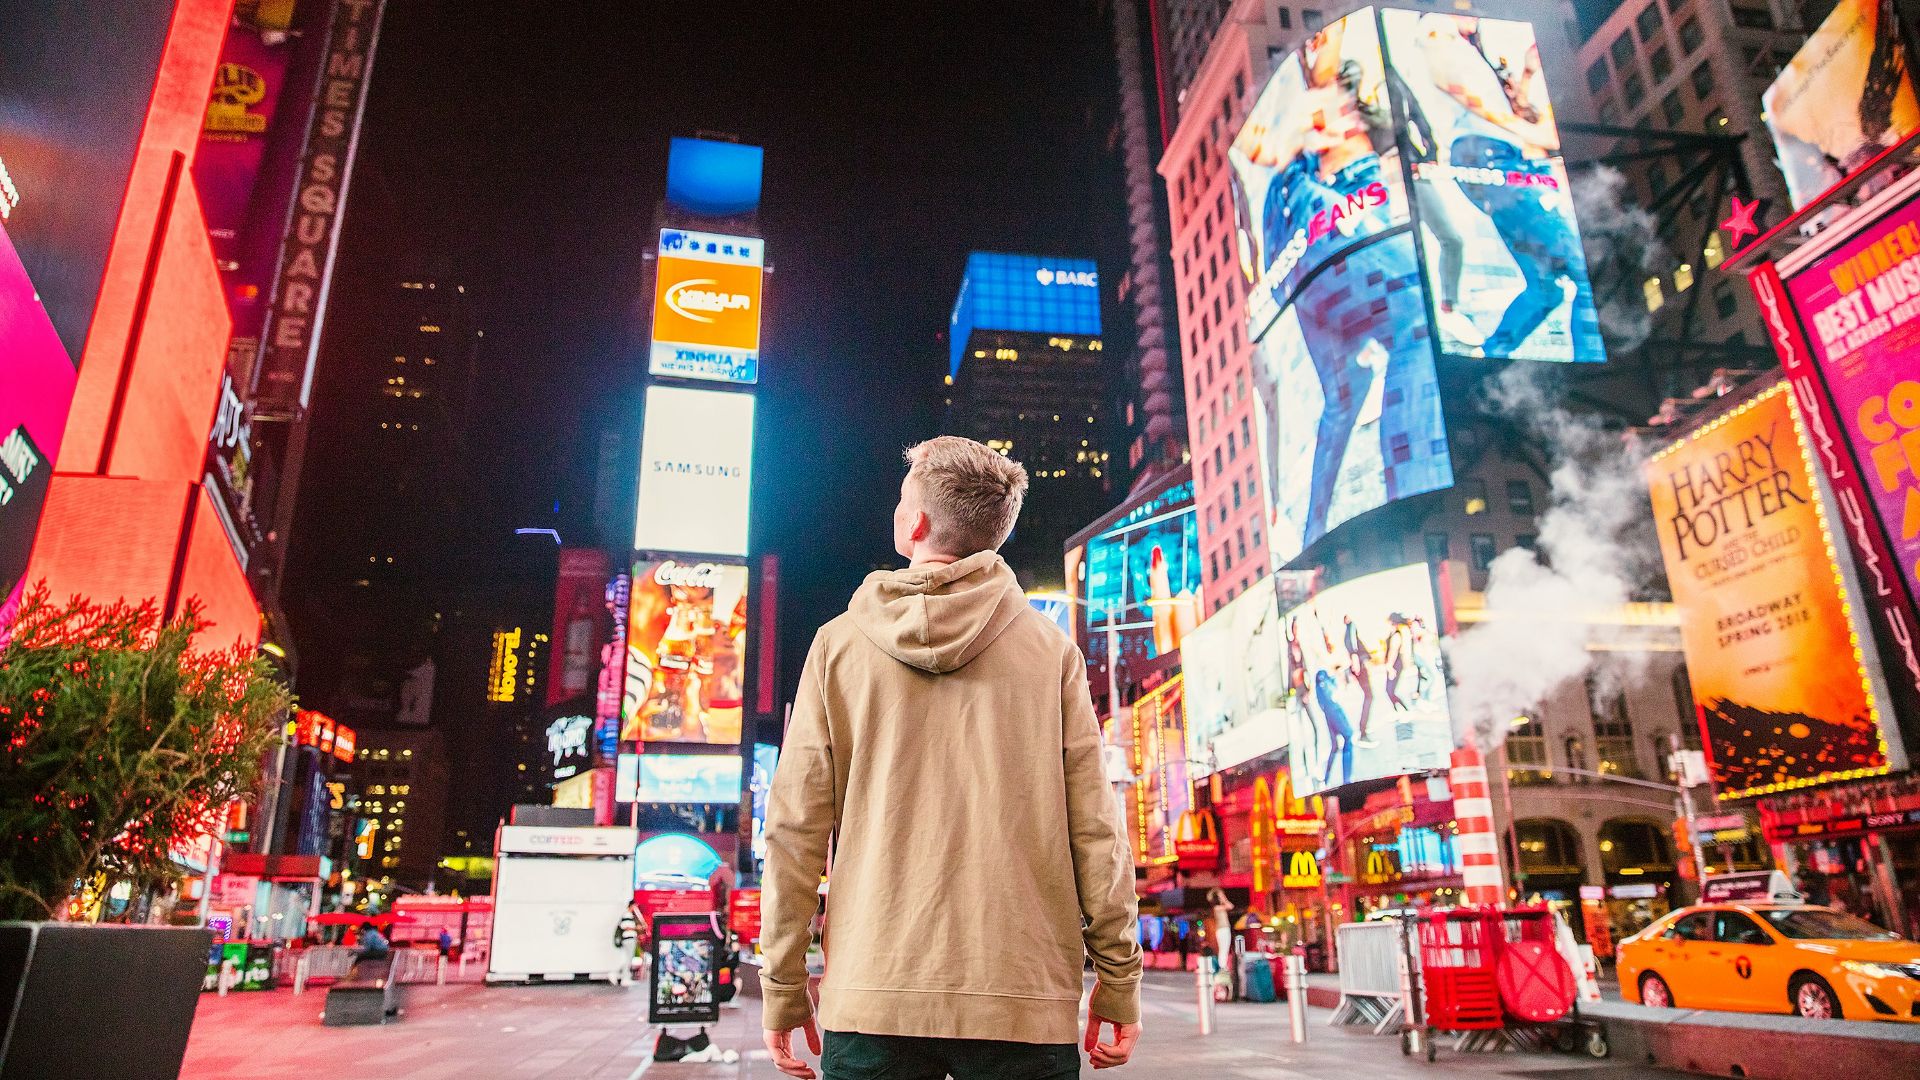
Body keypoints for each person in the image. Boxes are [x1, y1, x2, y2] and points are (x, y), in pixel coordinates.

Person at [761, 436, 1143, 1079]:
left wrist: (783, 984)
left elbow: (795, 829)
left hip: (872, 998)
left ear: (914, 522)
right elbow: (1098, 832)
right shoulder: (1052, 654)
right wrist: (1118, 976)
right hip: (1022, 1002)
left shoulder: (837, 647)